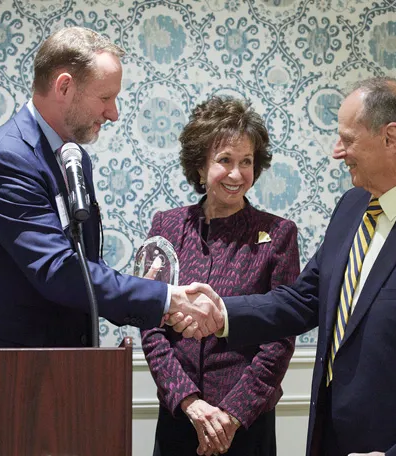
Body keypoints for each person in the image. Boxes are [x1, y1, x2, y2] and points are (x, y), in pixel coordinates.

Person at [184, 78, 396, 456]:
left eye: (348, 139)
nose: (338, 152)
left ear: (391, 138)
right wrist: (221, 312)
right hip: (332, 438)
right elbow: (304, 299)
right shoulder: (352, 207)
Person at [0, 26, 221, 348]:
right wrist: (166, 299)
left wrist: (142, 293)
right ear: (64, 87)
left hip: (58, 365)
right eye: (105, 98)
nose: (113, 114)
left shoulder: (73, 157)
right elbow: (58, 270)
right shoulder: (4, 160)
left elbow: (85, 264)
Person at [141, 96, 299, 456]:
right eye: (224, 161)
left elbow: (280, 337)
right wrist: (189, 402)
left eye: (246, 162)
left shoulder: (278, 234)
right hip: (179, 418)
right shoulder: (166, 226)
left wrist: (231, 414)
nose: (237, 174)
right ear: (200, 167)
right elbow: (150, 326)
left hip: (246, 425)